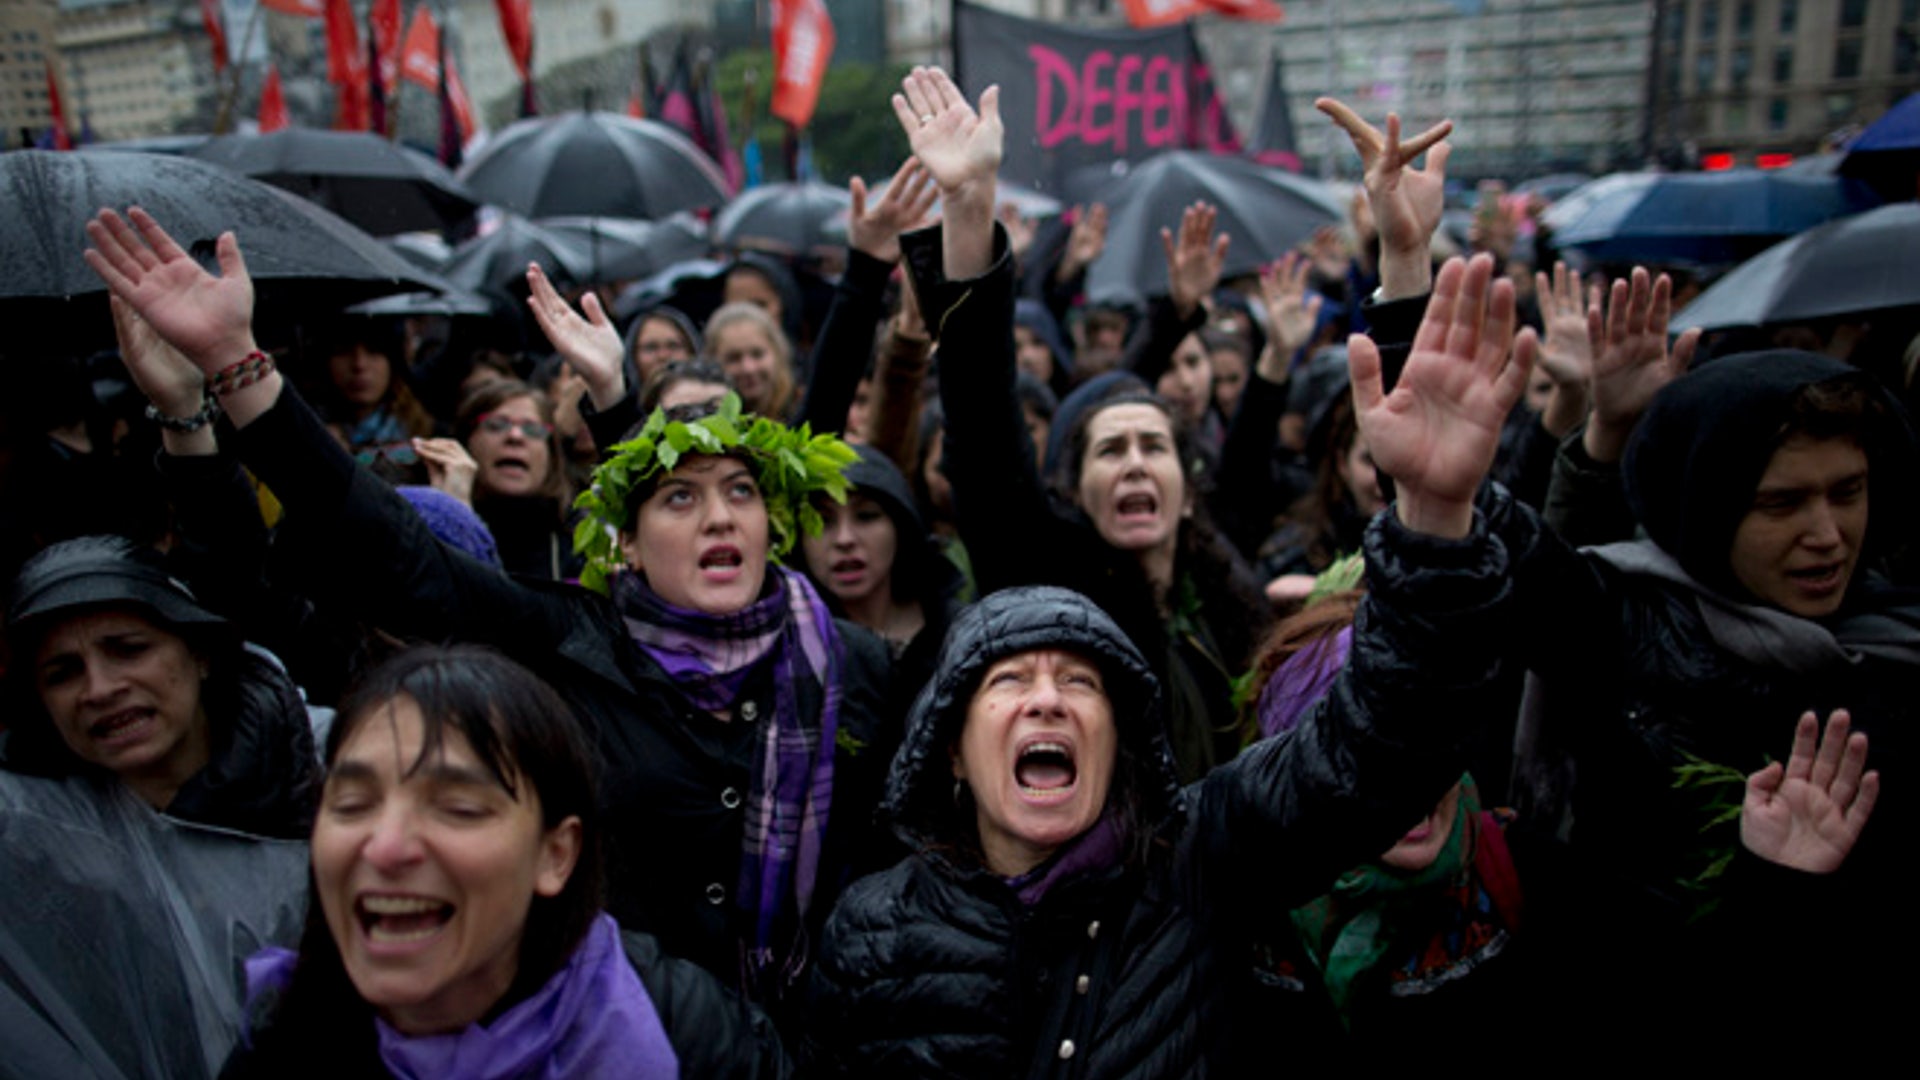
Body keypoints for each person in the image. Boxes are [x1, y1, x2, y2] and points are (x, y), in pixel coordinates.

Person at [802, 68, 1538, 1076]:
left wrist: (1440, 511)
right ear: (951, 747)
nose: (1047, 697)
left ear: (1129, 734)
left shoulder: (1197, 862)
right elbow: (983, 446)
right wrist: (969, 218)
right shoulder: (866, 938)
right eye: (1010, 682)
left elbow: (1382, 742)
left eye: (1081, 682)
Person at [85, 210, 897, 1019]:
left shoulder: (850, 663)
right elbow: (396, 554)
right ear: (629, 551)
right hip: (608, 1041)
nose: (719, 519)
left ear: (769, 525)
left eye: (742, 493)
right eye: (681, 499)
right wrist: (237, 365)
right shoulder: (569, 645)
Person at [899, 84, 1270, 784]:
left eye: (1154, 447)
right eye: (1110, 449)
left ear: (1189, 489)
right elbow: (982, 434)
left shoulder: (1233, 606)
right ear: (1073, 488)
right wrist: (968, 210)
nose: (1135, 464)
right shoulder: (1052, 586)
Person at [223, 645, 789, 1078]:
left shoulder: (689, 1031)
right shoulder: (280, 1042)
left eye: (458, 808)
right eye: (352, 804)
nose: (386, 846)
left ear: (556, 854)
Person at [1, 535, 316, 1079]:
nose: (98, 688)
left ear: (200, 653)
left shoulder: (339, 769)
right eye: (63, 673)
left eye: (128, 649)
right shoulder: (32, 833)